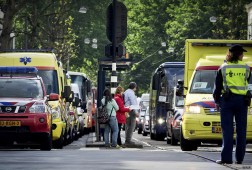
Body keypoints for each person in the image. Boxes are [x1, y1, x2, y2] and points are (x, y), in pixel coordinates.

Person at [213, 44, 251, 164]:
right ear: (239, 55)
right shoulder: (246, 68)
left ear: (229, 54)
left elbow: (217, 88)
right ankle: (239, 158)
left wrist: (217, 101)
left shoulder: (223, 68)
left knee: (227, 130)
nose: (243, 55)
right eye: (242, 53)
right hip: (242, 102)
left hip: (227, 101)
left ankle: (226, 159)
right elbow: (248, 83)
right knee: (241, 130)